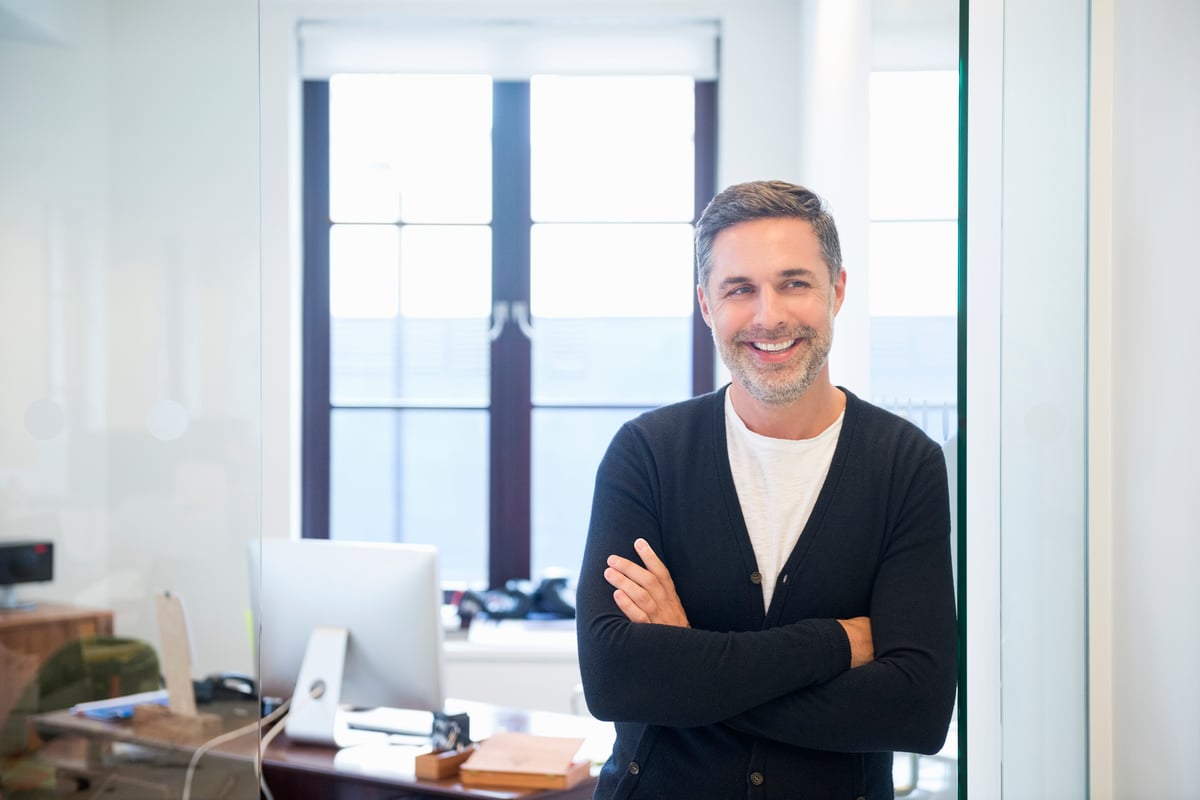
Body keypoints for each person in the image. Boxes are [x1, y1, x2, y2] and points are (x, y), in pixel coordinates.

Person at [575, 179, 958, 799]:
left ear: (836, 290)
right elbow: (615, 679)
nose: (768, 315)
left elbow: (916, 709)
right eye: (739, 290)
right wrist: (834, 642)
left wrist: (690, 666)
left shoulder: (904, 464)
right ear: (706, 304)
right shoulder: (647, 454)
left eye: (794, 283)